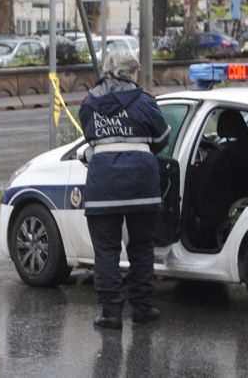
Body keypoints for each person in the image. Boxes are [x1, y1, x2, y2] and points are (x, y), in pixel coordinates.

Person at [79, 49, 170, 329]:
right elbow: (163, 138)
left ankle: (111, 312)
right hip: (141, 183)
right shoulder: (145, 102)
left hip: (103, 184)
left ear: (107, 72)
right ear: (131, 73)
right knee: (141, 246)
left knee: (105, 250)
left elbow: (89, 137)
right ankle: (142, 307)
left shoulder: (89, 104)